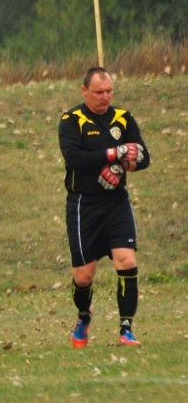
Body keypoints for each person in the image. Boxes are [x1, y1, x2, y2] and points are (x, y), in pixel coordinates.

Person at [58, 67, 149, 347]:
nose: (105, 97)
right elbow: (74, 158)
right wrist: (113, 153)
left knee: (126, 260)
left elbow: (143, 157)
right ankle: (84, 317)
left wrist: (123, 165)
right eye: (99, 92)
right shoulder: (71, 120)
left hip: (116, 201)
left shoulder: (123, 118)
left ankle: (126, 329)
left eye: (109, 91)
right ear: (84, 91)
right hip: (83, 204)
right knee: (84, 276)